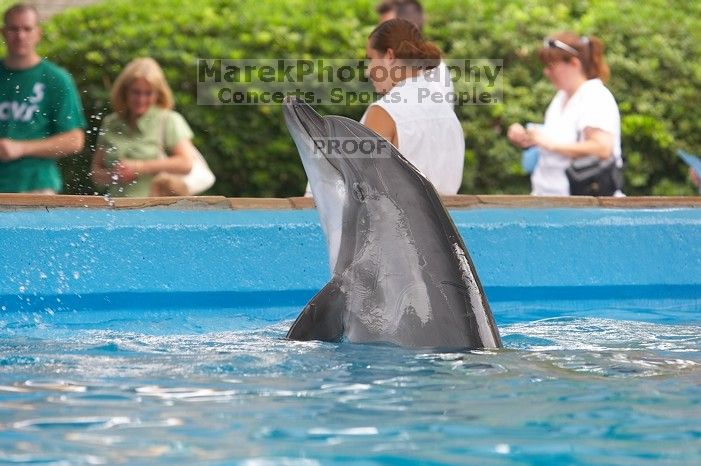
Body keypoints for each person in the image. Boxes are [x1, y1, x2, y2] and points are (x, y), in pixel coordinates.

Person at [507, 32, 622, 196]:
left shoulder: (594, 95)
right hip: (547, 198)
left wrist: (549, 144)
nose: (547, 72)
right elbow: (557, 139)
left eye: (552, 66)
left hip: (582, 205)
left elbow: (602, 148)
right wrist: (528, 137)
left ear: (574, 64)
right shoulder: (561, 97)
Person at [362, 18, 464, 195]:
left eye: (371, 59)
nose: (367, 70)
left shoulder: (384, 112)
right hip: (446, 221)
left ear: (389, 56)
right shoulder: (447, 113)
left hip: (397, 221)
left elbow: (364, 186)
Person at [0, 3, 86, 194]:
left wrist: (21, 148)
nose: (20, 35)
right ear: (3, 32)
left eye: (27, 29)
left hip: (37, 187)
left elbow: (75, 140)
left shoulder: (56, 79)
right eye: (14, 29)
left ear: (38, 33)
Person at [91, 57, 196, 197]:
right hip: (114, 209)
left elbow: (186, 163)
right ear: (125, 91)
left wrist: (140, 167)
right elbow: (95, 173)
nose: (141, 99)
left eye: (148, 93)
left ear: (158, 94)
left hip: (154, 210)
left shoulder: (168, 120)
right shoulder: (110, 122)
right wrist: (114, 176)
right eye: (136, 92)